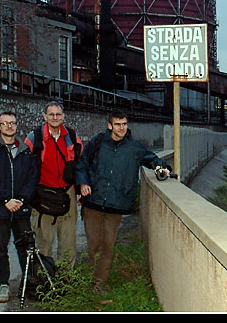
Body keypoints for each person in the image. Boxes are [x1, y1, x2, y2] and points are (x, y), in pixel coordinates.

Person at [76, 110, 170, 294]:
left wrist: (162, 168)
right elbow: (83, 164)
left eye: (124, 124)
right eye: (118, 124)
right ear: (110, 126)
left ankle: (99, 283)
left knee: (108, 245)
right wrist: (83, 182)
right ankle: (90, 278)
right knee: (94, 244)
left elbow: (151, 158)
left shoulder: (134, 147)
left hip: (116, 205)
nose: (122, 128)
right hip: (93, 202)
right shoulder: (97, 142)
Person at [0, 110, 38, 303]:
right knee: (0, 249)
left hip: (21, 208)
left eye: (12, 123)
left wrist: (20, 199)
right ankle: (2, 285)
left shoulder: (25, 150)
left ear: (16, 125)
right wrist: (5, 200)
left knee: (26, 248)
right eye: (5, 123)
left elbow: (32, 177)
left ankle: (30, 284)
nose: (9, 126)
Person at [24, 102, 82, 267]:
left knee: (68, 240)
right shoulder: (34, 139)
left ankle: (67, 278)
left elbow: (81, 164)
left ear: (63, 116)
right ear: (45, 117)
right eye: (51, 114)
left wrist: (80, 190)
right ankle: (44, 279)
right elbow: (25, 168)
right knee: (44, 241)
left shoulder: (71, 136)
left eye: (58, 114)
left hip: (67, 192)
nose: (55, 117)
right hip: (43, 193)